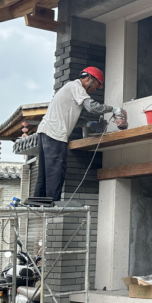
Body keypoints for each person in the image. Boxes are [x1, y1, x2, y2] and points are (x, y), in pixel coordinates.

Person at [34, 67, 123, 203]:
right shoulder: (76, 87)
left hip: (45, 132)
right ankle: (52, 204)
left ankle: (38, 203)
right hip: (55, 134)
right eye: (95, 85)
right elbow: (92, 107)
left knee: (45, 173)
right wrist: (114, 109)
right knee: (56, 171)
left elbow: (70, 116)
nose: (94, 89)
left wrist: (88, 123)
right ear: (89, 78)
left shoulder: (70, 88)